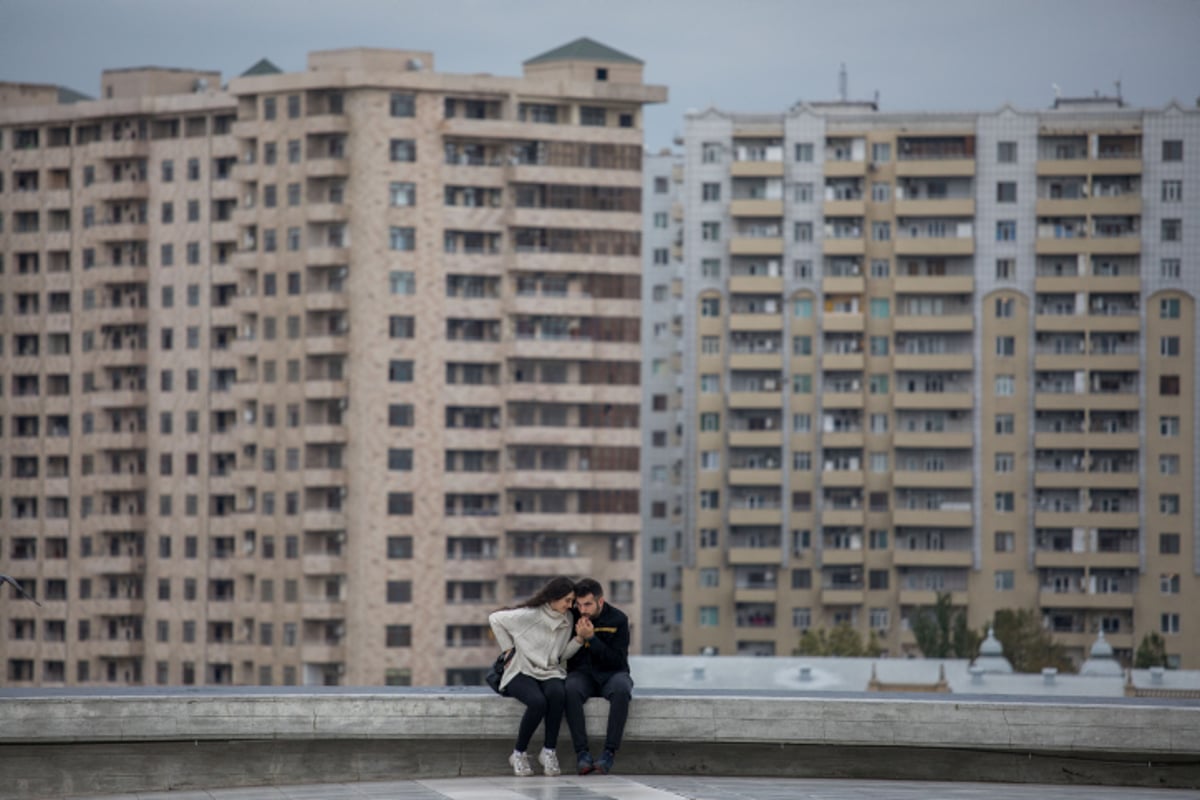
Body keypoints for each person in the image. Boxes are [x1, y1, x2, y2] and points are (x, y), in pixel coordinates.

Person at [488, 576, 581, 777]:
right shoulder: (530, 615)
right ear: (553, 598)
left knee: (558, 694)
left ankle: (549, 751)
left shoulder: (569, 619)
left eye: (572, 601)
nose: (570, 605)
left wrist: (579, 640)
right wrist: (508, 649)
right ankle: (518, 753)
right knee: (537, 702)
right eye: (566, 600)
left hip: (549, 670)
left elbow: (560, 655)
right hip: (521, 670)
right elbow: (495, 618)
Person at [564, 578, 632, 775]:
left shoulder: (618, 619)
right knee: (569, 688)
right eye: (579, 604)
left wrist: (592, 639)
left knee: (622, 688)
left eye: (588, 604)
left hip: (612, 674)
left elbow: (617, 661)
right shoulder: (572, 617)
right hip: (582, 675)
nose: (582, 609)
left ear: (600, 602)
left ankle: (609, 752)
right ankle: (582, 753)